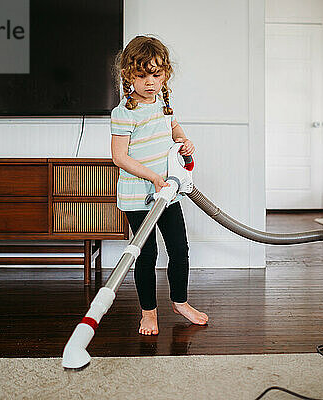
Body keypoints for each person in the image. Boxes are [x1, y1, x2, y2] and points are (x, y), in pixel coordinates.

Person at [110, 35, 208, 335]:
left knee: (179, 248)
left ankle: (180, 301)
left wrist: (185, 142)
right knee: (146, 254)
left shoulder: (164, 103)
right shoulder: (123, 113)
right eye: (141, 75)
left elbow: (174, 128)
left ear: (165, 73)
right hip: (139, 196)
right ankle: (149, 313)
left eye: (156, 74)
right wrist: (153, 177)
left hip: (168, 193)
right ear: (128, 75)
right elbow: (119, 157)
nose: (149, 82)